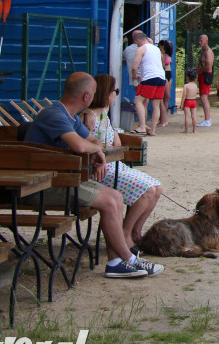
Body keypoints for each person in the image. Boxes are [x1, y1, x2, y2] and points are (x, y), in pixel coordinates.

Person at [26, 72, 162, 278]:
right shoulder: (54, 115)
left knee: (115, 197)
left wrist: (96, 150)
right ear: (86, 96)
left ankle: (116, 262)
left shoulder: (68, 116)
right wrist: (95, 151)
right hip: (39, 186)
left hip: (61, 181)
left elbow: (93, 140)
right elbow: (81, 144)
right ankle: (129, 259)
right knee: (109, 202)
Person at [83, 74, 164, 251]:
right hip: (100, 168)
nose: (116, 95)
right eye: (115, 91)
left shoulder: (104, 114)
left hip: (113, 164)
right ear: (106, 93)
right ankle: (125, 233)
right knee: (148, 190)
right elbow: (91, 145)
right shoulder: (89, 117)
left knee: (157, 188)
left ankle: (136, 230)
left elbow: (116, 143)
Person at [131, 31, 165, 136]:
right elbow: (163, 60)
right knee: (156, 104)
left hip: (149, 78)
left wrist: (134, 76)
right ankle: (153, 130)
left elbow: (134, 66)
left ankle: (142, 126)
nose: (136, 45)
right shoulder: (156, 49)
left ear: (138, 40)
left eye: (136, 43)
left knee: (138, 100)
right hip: (161, 77)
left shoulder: (141, 49)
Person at [196, 34, 214, 127]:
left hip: (206, 75)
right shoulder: (203, 51)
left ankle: (207, 119)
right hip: (202, 74)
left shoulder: (208, 52)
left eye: (201, 40)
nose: (200, 42)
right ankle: (206, 119)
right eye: (199, 40)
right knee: (202, 97)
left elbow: (208, 67)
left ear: (206, 40)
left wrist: (199, 70)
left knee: (204, 97)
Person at [157, 39, 173, 127]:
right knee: (162, 97)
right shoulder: (160, 54)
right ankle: (162, 119)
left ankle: (164, 117)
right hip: (164, 74)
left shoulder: (167, 54)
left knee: (167, 97)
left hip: (169, 75)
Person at [180, 68, 198, 133]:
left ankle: (186, 130)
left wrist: (182, 104)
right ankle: (194, 130)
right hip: (194, 101)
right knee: (194, 116)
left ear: (187, 77)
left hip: (188, 101)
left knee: (187, 116)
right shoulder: (195, 86)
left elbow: (184, 95)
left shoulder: (186, 86)